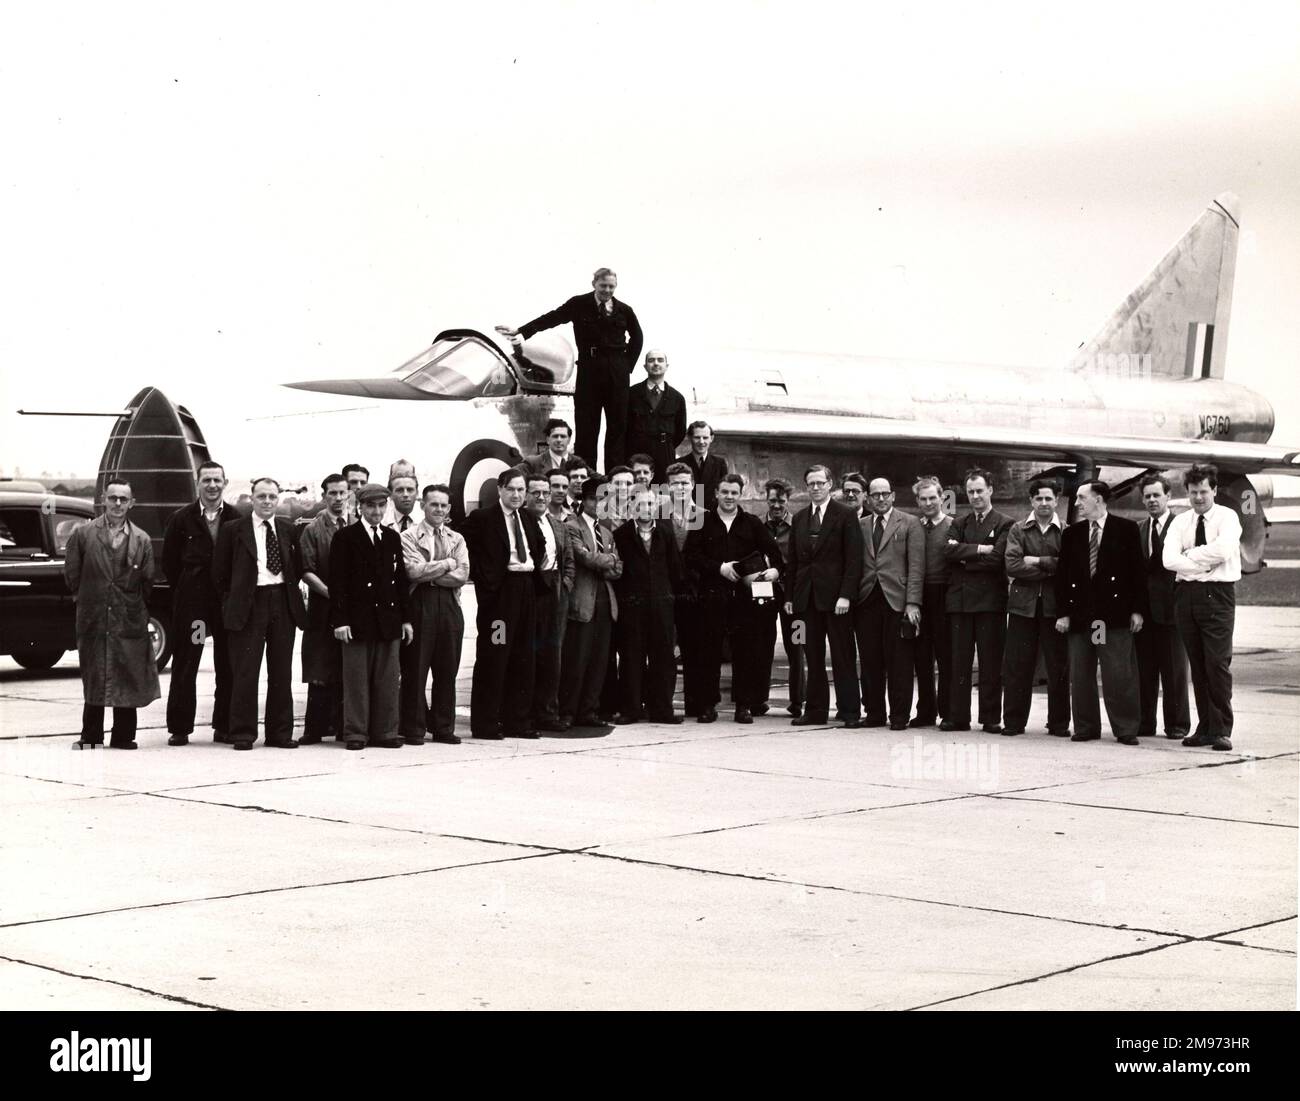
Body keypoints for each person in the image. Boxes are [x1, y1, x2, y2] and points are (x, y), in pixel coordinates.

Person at [497, 268, 643, 470]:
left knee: (617, 428)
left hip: (617, 374)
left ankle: (614, 477)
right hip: (589, 372)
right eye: (603, 286)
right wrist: (523, 332)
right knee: (586, 428)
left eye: (611, 286)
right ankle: (584, 478)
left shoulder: (625, 310)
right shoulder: (579, 304)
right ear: (594, 284)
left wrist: (626, 366)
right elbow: (552, 318)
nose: (607, 290)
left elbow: (638, 337)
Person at [213, 477, 308, 749]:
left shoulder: (289, 529)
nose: (267, 501)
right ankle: (242, 733)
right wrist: (235, 600)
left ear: (278, 500)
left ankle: (280, 733)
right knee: (245, 671)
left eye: (272, 497)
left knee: (281, 672)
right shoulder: (234, 529)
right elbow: (219, 573)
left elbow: (297, 568)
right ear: (252, 499)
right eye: (262, 496)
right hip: (248, 605)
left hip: (281, 602)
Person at [65, 478, 161, 749]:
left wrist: (130, 605)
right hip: (93, 615)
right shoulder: (83, 534)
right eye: (112, 498)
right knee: (95, 673)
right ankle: (91, 735)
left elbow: (148, 580)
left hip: (128, 615)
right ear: (103, 500)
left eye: (123, 499)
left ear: (132, 503)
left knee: (127, 672)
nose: (117, 503)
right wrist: (88, 599)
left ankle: (124, 735)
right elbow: (72, 574)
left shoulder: (141, 539)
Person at [686, 474, 784, 724]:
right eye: (725, 492)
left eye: (734, 493)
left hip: (745, 600)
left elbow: (774, 555)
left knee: (746, 652)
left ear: (740, 495)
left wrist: (774, 571)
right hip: (712, 597)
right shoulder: (701, 521)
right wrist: (718, 567)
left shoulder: (751, 523)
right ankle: (708, 705)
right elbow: (691, 555)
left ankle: (744, 705)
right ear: (716, 494)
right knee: (708, 652)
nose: (729, 497)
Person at [1054, 481, 1147, 745]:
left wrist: (1137, 610)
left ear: (1099, 499)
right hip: (1082, 616)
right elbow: (1062, 578)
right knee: (1081, 674)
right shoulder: (1072, 534)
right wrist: (1063, 613)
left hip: (1114, 616)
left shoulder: (1126, 530)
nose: (1077, 503)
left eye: (1082, 498)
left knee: (1118, 673)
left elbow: (1137, 575)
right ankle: (1085, 727)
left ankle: (1126, 728)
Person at [1163, 464, 1242, 751]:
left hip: (1218, 596)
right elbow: (1169, 560)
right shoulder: (1180, 522)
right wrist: (1202, 565)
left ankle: (1222, 729)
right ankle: (1205, 727)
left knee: (1217, 664)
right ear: (1187, 492)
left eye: (1204, 491)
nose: (1198, 497)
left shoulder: (1228, 517)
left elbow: (1223, 551)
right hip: (1186, 595)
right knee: (1197, 665)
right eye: (1193, 492)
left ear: (1215, 491)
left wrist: (1191, 556)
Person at [462, 468, 545, 739]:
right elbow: (469, 552)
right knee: (495, 655)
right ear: (500, 489)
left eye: (522, 490)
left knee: (524, 657)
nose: (517, 495)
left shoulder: (529, 518)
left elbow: (539, 549)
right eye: (512, 489)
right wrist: (488, 586)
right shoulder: (483, 518)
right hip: (500, 598)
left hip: (526, 591)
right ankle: (486, 723)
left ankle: (517, 722)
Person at [330, 484, 413, 749]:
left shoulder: (391, 537)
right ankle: (356, 732)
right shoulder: (346, 537)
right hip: (357, 621)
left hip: (388, 620)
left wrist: (406, 619)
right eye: (371, 506)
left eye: (381, 506)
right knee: (356, 681)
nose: (376, 511)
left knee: (387, 680)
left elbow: (400, 581)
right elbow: (338, 583)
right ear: (360, 507)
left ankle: (386, 732)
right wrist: (340, 620)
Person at [162, 460, 238, 746]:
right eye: (206, 480)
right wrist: (187, 590)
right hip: (194, 610)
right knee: (187, 662)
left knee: (226, 664)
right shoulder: (181, 519)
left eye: (217, 480)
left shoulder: (235, 517)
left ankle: (224, 725)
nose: (212, 485)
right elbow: (169, 564)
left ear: (225, 483)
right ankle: (180, 727)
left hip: (225, 606)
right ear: (198, 483)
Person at [785, 465, 863, 727]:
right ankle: (816, 710)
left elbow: (854, 559)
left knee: (842, 655)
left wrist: (846, 596)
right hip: (806, 599)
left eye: (820, 483)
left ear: (830, 484)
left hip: (836, 601)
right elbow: (793, 563)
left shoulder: (845, 515)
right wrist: (790, 598)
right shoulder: (799, 518)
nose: (815, 488)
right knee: (812, 655)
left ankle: (850, 711)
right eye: (811, 484)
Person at [943, 468, 1012, 733]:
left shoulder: (1005, 522)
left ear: (990, 490)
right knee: (958, 661)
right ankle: (958, 716)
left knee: (990, 662)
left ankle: (990, 717)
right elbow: (947, 552)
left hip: (990, 603)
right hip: (960, 603)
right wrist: (981, 550)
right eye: (970, 492)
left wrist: (965, 558)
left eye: (979, 490)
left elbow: (998, 560)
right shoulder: (959, 522)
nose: (975, 496)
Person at [853, 477, 925, 730]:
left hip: (897, 600)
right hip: (867, 600)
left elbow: (916, 567)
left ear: (893, 496)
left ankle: (899, 715)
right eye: (875, 495)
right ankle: (873, 713)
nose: (880, 499)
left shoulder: (910, 523)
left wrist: (913, 603)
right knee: (870, 660)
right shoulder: (860, 525)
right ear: (868, 498)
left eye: (885, 494)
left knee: (900, 662)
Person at [401, 484, 469, 745]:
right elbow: (413, 571)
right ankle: (414, 729)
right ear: (423, 505)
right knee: (416, 668)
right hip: (420, 605)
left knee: (447, 669)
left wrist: (433, 573)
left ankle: (443, 728)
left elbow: (462, 575)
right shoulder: (408, 537)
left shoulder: (457, 539)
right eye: (433, 504)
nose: (439, 509)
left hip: (450, 607)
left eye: (443, 505)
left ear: (449, 509)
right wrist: (447, 564)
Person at [1001, 479, 1069, 737]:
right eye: (1038, 498)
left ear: (1056, 501)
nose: (1043, 503)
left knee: (1058, 666)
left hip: (1054, 608)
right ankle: (1014, 722)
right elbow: (1012, 566)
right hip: (1022, 607)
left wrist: (1037, 560)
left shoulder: (1065, 530)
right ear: (1031, 501)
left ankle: (1059, 723)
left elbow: (1068, 568)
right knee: (1018, 666)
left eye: (1048, 499)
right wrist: (1050, 569)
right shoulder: (1018, 529)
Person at [614, 487, 684, 723]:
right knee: (631, 658)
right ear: (632, 506)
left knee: (663, 658)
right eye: (641, 504)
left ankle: (662, 709)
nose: (646, 509)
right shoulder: (621, 534)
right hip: (632, 606)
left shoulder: (665, 531)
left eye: (650, 504)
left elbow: (675, 568)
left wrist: (672, 599)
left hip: (662, 604)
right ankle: (631, 709)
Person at [560, 475, 622, 728]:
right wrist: (605, 560)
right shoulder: (571, 526)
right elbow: (584, 558)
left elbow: (618, 568)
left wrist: (604, 561)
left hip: (606, 602)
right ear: (583, 500)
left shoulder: (606, 531)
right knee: (577, 660)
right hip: (583, 602)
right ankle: (568, 711)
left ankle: (589, 710)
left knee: (599, 661)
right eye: (595, 499)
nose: (599, 504)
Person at [1136, 474, 1192, 740]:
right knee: (1144, 672)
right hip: (1145, 614)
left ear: (1168, 496)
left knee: (1174, 672)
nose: (1152, 500)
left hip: (1173, 611)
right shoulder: (1139, 529)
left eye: (1156, 495)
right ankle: (1145, 723)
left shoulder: (1181, 527)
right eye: (1147, 496)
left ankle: (1177, 724)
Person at [298, 474, 349, 744]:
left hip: (350, 609)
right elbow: (306, 571)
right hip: (322, 607)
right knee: (319, 668)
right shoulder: (313, 530)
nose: (338, 498)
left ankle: (344, 727)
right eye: (333, 494)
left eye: (342, 493)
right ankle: (314, 729)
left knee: (347, 668)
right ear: (324, 496)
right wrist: (331, 593)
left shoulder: (356, 524)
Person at [526, 472, 576, 732]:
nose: (542, 497)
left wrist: (565, 587)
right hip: (530, 593)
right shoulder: (521, 521)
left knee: (552, 656)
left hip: (556, 593)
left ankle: (548, 712)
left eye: (545, 493)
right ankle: (525, 712)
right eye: (536, 492)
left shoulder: (558, 524)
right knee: (528, 655)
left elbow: (568, 561)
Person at [758, 478, 805, 718]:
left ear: (788, 500)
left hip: (794, 597)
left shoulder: (799, 524)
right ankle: (758, 700)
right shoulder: (758, 525)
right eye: (772, 500)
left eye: (781, 500)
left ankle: (798, 702)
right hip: (766, 595)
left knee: (797, 646)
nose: (776, 505)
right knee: (763, 644)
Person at [911, 476, 953, 728]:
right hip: (919, 595)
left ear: (941, 498)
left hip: (944, 595)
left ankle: (948, 710)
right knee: (921, 657)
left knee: (946, 657)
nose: (928, 503)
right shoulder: (914, 526)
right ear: (917, 501)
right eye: (923, 499)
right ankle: (925, 710)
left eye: (932, 498)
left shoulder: (952, 525)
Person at [666, 462, 706, 716]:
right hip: (667, 590)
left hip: (695, 593)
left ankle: (696, 703)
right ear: (667, 486)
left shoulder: (704, 514)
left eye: (684, 482)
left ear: (692, 484)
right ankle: (662, 703)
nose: (680, 487)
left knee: (695, 650)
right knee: (664, 649)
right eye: (675, 483)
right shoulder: (659, 513)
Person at [625, 349, 687, 479]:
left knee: (663, 493)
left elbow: (680, 431)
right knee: (638, 490)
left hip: (664, 454)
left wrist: (664, 444)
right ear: (645, 366)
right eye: (651, 360)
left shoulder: (677, 398)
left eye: (660, 360)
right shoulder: (631, 394)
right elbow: (623, 427)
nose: (656, 363)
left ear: (666, 366)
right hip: (637, 453)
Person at [682, 421, 727, 512]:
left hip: (713, 517)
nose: (701, 442)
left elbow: (724, 492)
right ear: (689, 438)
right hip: (688, 516)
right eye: (697, 437)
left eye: (705, 438)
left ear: (711, 438)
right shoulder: (680, 464)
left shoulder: (720, 463)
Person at [384, 463, 420, 534]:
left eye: (410, 490)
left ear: (417, 493)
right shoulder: (382, 520)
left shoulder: (426, 519)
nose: (405, 494)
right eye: (400, 490)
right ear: (390, 494)